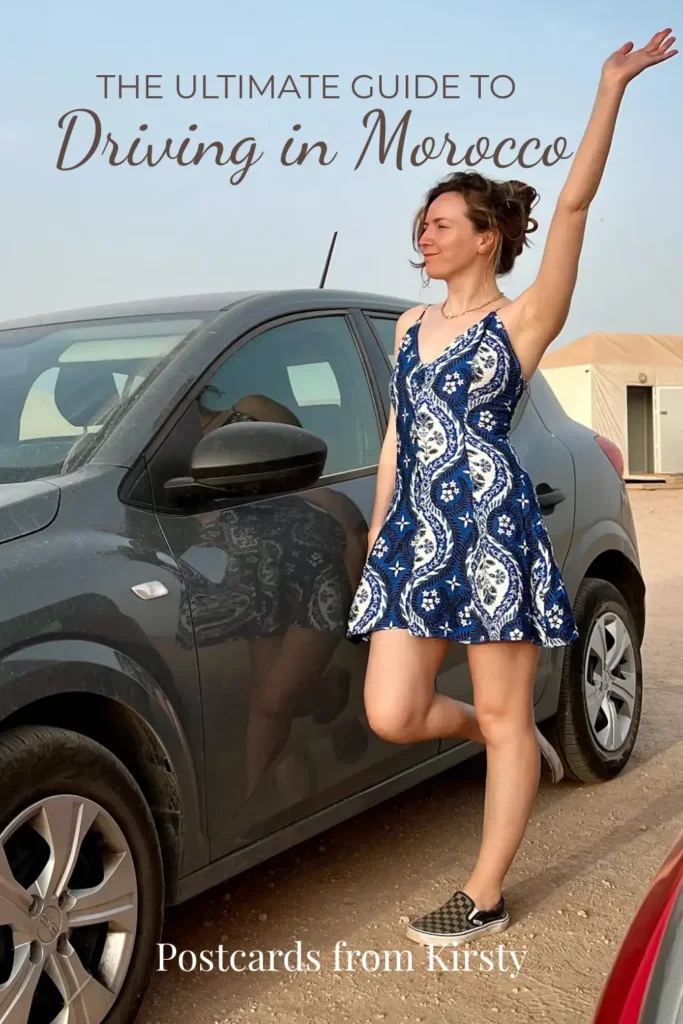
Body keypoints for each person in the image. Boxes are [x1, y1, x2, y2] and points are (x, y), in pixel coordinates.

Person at [347, 29, 677, 946]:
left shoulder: (526, 318)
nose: (424, 234)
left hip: (492, 529)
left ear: (486, 237)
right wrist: (379, 529)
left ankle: (484, 893)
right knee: (393, 710)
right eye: (422, 223)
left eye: (441, 222)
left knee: (501, 705)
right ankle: (510, 739)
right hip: (414, 535)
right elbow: (396, 436)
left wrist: (610, 88)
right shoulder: (409, 326)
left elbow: (572, 204)